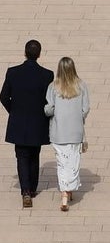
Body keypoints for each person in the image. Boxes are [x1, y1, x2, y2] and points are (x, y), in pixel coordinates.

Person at [0, 40, 54, 208]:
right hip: (38, 123)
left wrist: (13, 111)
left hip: (19, 122)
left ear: (25, 53)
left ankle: (25, 191)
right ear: (39, 54)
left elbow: (3, 97)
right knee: (34, 155)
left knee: (22, 156)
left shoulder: (13, 72)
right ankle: (33, 187)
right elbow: (50, 101)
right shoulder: (47, 75)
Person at [45, 56, 90, 212]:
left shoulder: (53, 87)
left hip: (59, 131)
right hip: (75, 131)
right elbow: (85, 109)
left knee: (62, 163)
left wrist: (47, 111)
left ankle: (65, 193)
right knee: (73, 162)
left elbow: (49, 109)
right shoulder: (81, 86)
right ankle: (68, 190)